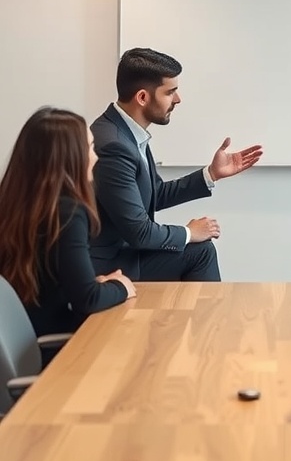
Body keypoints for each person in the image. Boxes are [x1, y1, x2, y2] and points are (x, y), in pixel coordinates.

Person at [90, 47, 263, 281]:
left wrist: (211, 174)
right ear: (142, 97)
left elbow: (155, 194)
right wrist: (189, 233)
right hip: (111, 264)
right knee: (200, 251)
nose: (178, 99)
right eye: (170, 92)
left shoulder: (126, 132)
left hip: (125, 252)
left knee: (200, 250)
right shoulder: (114, 146)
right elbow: (140, 233)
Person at [0, 108, 135, 336]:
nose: (96, 156)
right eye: (91, 147)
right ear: (72, 156)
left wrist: (96, 284)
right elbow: (88, 299)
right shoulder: (68, 212)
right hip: (57, 347)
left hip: (27, 336)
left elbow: (51, 279)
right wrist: (121, 286)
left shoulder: (16, 201)